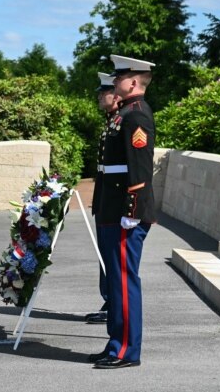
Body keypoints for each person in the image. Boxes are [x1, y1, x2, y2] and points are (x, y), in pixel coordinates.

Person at [89, 55, 156, 369]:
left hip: (125, 214)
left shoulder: (136, 116)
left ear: (133, 81)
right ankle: (115, 343)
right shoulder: (123, 115)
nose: (114, 83)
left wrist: (132, 211)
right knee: (116, 282)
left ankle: (127, 350)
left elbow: (139, 169)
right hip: (112, 211)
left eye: (119, 77)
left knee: (125, 281)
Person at [86, 72, 121, 325]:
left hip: (115, 202)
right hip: (105, 200)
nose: (99, 96)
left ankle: (113, 303)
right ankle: (109, 300)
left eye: (104, 92)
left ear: (116, 96)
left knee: (112, 256)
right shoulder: (111, 121)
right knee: (105, 255)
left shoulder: (122, 121)